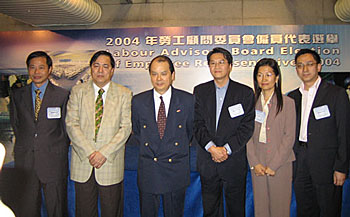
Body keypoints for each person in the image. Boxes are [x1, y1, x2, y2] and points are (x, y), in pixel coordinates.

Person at [65, 50, 132, 217]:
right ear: (90, 69)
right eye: (96, 66)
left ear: (112, 70)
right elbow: (71, 124)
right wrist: (90, 152)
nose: (100, 71)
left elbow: (126, 128)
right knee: (84, 211)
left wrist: (103, 153)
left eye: (105, 66)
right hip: (83, 162)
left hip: (110, 162)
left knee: (111, 211)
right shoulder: (77, 92)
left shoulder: (124, 94)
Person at [193, 47, 255, 217]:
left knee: (236, 210)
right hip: (208, 160)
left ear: (230, 66)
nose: (217, 66)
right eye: (212, 63)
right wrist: (212, 148)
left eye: (221, 62)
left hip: (233, 161)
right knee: (211, 209)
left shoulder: (245, 92)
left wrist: (226, 149)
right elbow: (197, 123)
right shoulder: (200, 91)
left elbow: (247, 126)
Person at [288, 48, 350, 217]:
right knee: (305, 209)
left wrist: (341, 167)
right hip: (300, 161)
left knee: (329, 209)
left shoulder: (336, 94)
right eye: (300, 65)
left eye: (309, 64)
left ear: (319, 67)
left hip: (327, 164)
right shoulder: (292, 97)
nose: (305, 69)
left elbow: (344, 132)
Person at [131, 55, 194, 217]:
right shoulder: (138, 101)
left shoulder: (187, 100)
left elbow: (190, 132)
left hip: (175, 170)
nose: (159, 79)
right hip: (149, 169)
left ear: (172, 75)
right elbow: (138, 132)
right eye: (154, 74)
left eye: (163, 73)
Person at [9, 51, 70, 217]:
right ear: (28, 70)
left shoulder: (62, 95)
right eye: (32, 68)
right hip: (26, 162)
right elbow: (17, 124)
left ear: (49, 69)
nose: (36, 72)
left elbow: (66, 129)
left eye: (41, 68)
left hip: (53, 162)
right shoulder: (17, 95)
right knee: (27, 209)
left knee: (56, 209)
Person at [247, 58, 296, 217]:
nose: (263, 79)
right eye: (260, 75)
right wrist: (255, 163)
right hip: (258, 163)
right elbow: (247, 135)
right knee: (260, 208)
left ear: (276, 78)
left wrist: (274, 165)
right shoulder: (251, 104)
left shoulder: (288, 103)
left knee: (280, 208)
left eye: (268, 75)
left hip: (281, 163)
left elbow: (289, 137)